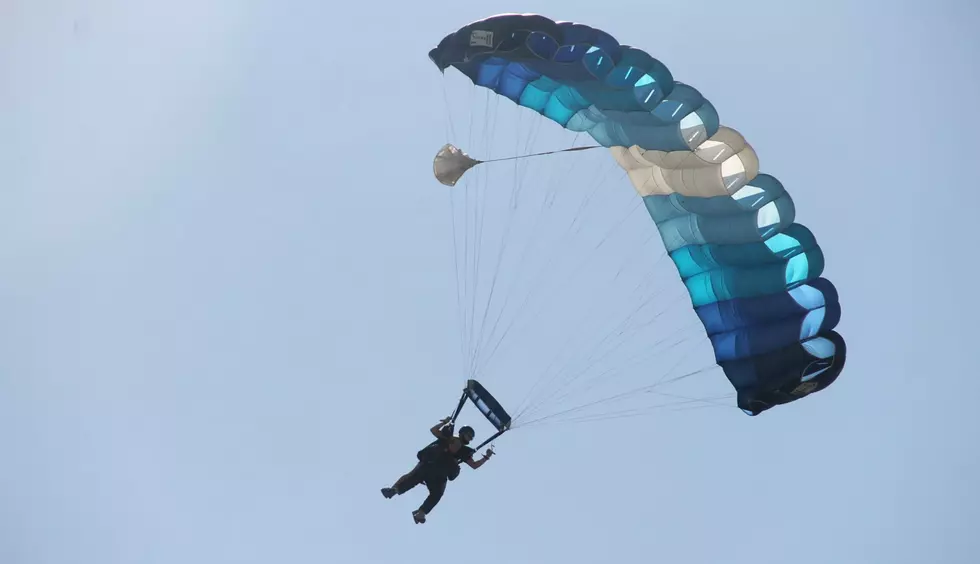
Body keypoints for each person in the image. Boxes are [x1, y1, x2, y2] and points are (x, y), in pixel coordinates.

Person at [381, 417, 495, 524]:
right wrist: (444, 422)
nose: (469, 438)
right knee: (412, 478)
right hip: (430, 465)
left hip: (439, 474)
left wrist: (486, 457)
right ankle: (393, 490)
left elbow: (474, 465)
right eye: (468, 435)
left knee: (436, 494)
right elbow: (434, 430)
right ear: (462, 433)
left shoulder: (464, 451)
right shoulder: (447, 437)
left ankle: (421, 512)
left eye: (471, 437)